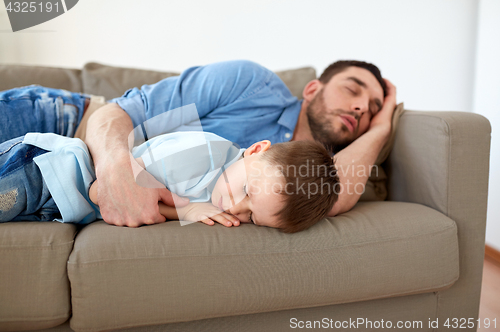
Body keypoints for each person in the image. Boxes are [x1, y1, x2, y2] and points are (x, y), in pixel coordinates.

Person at [0, 59, 396, 227]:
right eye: (353, 89)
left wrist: (381, 130)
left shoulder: (304, 179)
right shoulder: (250, 84)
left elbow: (338, 194)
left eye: (374, 107)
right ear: (313, 88)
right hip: (68, 120)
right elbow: (115, 116)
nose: (362, 106)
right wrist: (118, 173)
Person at [0, 130, 339, 233]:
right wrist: (189, 209)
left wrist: (190, 211)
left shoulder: (219, 191)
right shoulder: (204, 153)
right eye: (247, 191)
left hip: (58, 206)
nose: (236, 208)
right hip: (46, 171)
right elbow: (112, 191)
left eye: (252, 216)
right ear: (255, 150)